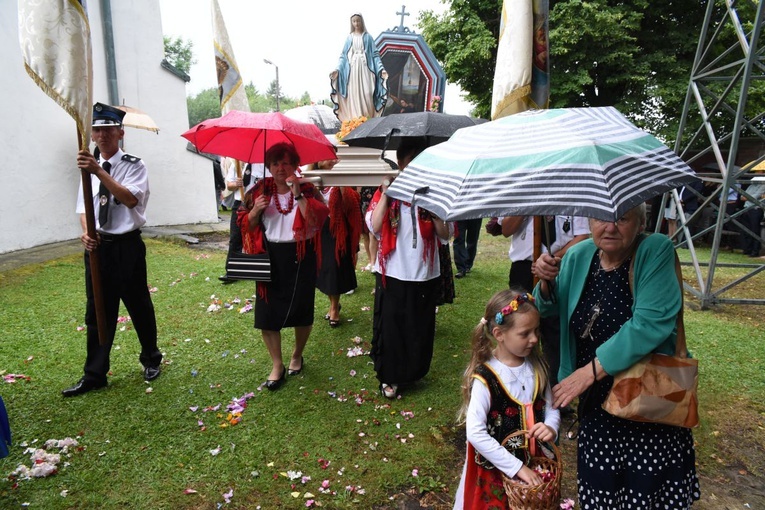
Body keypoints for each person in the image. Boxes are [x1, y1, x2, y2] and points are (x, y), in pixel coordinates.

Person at [533, 204, 700, 508]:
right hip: (596, 405)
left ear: (641, 222)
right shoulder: (578, 255)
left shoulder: (655, 250)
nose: (610, 227)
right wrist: (545, 282)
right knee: (601, 493)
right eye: (601, 218)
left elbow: (650, 324)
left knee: (646, 495)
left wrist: (588, 372)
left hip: (648, 402)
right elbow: (549, 309)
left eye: (622, 218)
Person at [64, 102, 163, 397]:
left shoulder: (134, 165)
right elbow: (84, 207)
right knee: (97, 311)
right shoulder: (86, 170)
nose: (102, 135)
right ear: (91, 135)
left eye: (108, 129)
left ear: (120, 133)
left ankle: (151, 359)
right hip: (98, 249)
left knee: (138, 305)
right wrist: (86, 233)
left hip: (127, 247)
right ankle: (95, 374)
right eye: (97, 130)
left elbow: (130, 199)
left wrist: (98, 171)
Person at [453, 289, 561, 509]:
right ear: (499, 334)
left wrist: (551, 427)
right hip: (495, 471)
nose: (534, 339)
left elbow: (551, 407)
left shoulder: (538, 367)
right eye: (525, 334)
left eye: (536, 331)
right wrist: (517, 468)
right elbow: (475, 432)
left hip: (536, 465)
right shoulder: (486, 378)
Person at [238, 143, 329, 391]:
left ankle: (297, 354)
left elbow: (317, 219)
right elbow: (246, 226)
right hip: (270, 256)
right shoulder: (257, 191)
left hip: (301, 255)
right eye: (276, 163)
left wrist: (297, 193)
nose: (281, 167)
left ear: (295, 165)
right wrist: (255, 211)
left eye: (287, 162)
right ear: (268, 166)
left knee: (302, 310)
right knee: (267, 315)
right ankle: (277, 364)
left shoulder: (308, 188)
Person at [367, 138, 449, 398]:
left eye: (420, 162)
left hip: (425, 272)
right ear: (400, 164)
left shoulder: (434, 192)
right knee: (392, 326)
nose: (414, 168)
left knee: (418, 325)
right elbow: (375, 226)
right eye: (409, 162)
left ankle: (413, 372)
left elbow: (446, 235)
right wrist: (387, 193)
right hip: (392, 271)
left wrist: (434, 211)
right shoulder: (387, 192)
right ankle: (389, 374)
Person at [315, 158, 363, 327]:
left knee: (334, 269)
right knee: (325, 271)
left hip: (339, 232)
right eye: (327, 158)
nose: (332, 161)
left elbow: (351, 203)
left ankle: (334, 308)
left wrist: (342, 185)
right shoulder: (314, 181)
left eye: (334, 158)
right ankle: (333, 303)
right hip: (320, 231)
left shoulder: (341, 181)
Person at [330, 13, 388, 122]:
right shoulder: (349, 38)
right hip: (353, 70)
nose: (356, 23)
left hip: (366, 69)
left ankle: (366, 119)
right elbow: (343, 56)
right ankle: (355, 121)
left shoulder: (368, 37)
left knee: (367, 93)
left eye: (358, 21)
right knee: (353, 94)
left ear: (362, 22)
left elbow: (375, 55)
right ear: (351, 23)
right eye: (354, 21)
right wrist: (337, 70)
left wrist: (381, 69)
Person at [219, 160, 263, 283]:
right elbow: (229, 185)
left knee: (259, 237)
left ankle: (260, 268)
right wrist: (236, 184)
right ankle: (232, 272)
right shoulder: (238, 163)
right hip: (240, 204)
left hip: (256, 203)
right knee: (235, 238)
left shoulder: (263, 164)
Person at [741, 176, 765, 257]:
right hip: (746, 208)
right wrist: (747, 197)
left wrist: (747, 197)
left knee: (755, 230)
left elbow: (754, 197)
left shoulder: (763, 186)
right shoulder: (751, 185)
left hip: (755, 209)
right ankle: (747, 249)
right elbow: (742, 196)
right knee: (746, 230)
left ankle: (755, 251)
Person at [358, 186, 378, 271]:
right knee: (365, 233)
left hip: (376, 194)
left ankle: (375, 262)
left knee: (375, 232)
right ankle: (371, 262)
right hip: (362, 198)